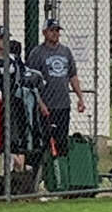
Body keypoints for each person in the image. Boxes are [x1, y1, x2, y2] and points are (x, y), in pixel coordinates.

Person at [0, 25, 47, 172]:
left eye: (7, 38)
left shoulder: (15, 62)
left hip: (11, 104)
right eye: (1, 38)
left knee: (11, 138)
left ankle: (9, 173)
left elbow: (26, 82)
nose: (4, 42)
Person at [27, 18, 86, 157]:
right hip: (46, 106)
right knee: (44, 141)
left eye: (57, 31)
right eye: (52, 30)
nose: (55, 34)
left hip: (63, 104)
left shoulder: (66, 51)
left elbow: (73, 76)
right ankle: (43, 172)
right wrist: (40, 104)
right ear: (44, 32)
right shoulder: (37, 53)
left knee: (61, 141)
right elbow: (31, 82)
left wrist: (80, 98)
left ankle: (60, 172)